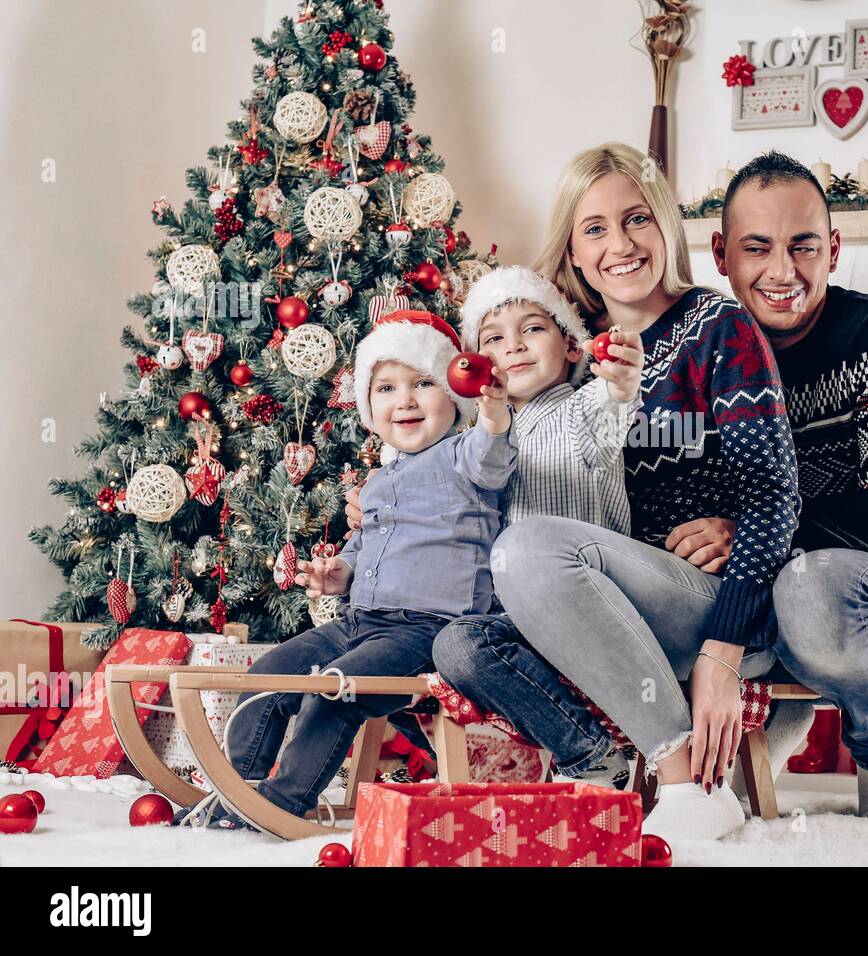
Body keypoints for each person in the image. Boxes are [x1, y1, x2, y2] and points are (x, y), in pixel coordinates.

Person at [484, 142, 803, 843]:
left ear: (664, 224)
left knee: (526, 552)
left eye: (636, 220)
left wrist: (724, 650)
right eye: (594, 228)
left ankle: (686, 779)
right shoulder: (560, 342)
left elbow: (775, 495)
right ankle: (590, 774)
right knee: (469, 630)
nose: (620, 244)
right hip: (597, 600)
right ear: (572, 246)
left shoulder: (717, 327)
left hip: (708, 607)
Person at [709, 151, 868, 822]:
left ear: (834, 250)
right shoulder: (710, 353)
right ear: (721, 254)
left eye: (803, 246)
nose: (782, 271)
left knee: (810, 583)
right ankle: (754, 733)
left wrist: (752, 529)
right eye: (756, 248)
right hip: (765, 602)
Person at [201, 309, 515, 829]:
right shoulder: (379, 478)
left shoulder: (465, 455)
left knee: (335, 689)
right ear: (370, 407)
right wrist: (339, 572)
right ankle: (240, 786)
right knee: (268, 674)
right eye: (386, 388)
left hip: (427, 629)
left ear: (455, 396)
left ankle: (282, 801)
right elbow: (365, 544)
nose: (405, 399)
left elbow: (493, 452)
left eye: (423, 382)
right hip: (356, 622)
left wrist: (494, 409)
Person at [424, 265, 647, 788]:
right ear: (480, 363)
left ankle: (591, 759)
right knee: (450, 644)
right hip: (515, 620)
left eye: (534, 329)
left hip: (585, 604)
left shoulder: (578, 411)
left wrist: (622, 380)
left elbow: (612, 408)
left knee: (459, 645)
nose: (515, 345)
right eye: (495, 339)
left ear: (572, 347)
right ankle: (583, 749)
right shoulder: (478, 436)